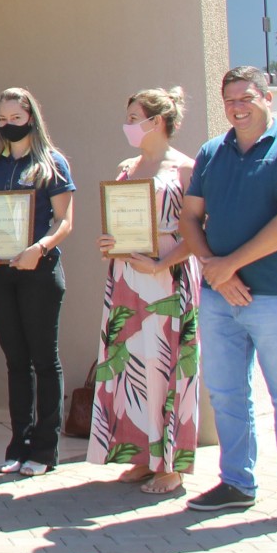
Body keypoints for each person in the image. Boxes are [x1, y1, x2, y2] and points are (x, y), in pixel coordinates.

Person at [179, 66, 277, 534]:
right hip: (220, 298)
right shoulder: (211, 153)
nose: (237, 107)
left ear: (267, 98)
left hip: (275, 295)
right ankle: (236, 483)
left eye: (247, 97)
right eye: (229, 100)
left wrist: (227, 266)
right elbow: (191, 218)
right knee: (226, 395)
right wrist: (215, 272)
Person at [90, 87, 201, 495]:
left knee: (165, 365)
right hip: (126, 278)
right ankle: (140, 456)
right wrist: (110, 243)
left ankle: (170, 465)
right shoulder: (127, 167)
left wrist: (160, 263)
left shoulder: (187, 169)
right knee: (131, 363)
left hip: (166, 279)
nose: (129, 123)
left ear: (157, 121)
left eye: (135, 115)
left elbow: (199, 231)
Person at [0, 87, 76, 477]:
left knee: (44, 360)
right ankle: (19, 443)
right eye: (2, 119)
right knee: (15, 361)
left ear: (31, 117)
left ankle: (45, 449)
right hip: (0, 274)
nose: (9, 125)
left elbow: (66, 221)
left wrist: (40, 247)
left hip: (39, 272)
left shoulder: (53, 163)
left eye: (16, 118)